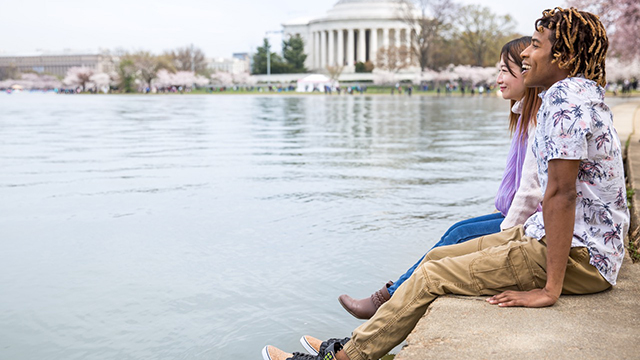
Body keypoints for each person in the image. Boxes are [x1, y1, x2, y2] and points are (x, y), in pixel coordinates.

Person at [262, 7, 629, 360]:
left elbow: (561, 195)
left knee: (434, 275)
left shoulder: (565, 102)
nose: (527, 54)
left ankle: (346, 356)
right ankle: (367, 340)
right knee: (438, 256)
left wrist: (550, 290)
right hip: (559, 238)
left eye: (535, 45)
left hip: (581, 256)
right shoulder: (574, 93)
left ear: (562, 56)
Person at [338, 36, 543, 320]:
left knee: (459, 235)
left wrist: (505, 236)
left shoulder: (536, 120)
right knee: (457, 228)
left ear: (526, 72)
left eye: (504, 71)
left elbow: (531, 193)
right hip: (524, 216)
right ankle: (387, 295)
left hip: (531, 224)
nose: (498, 79)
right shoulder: (525, 115)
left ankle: (386, 298)